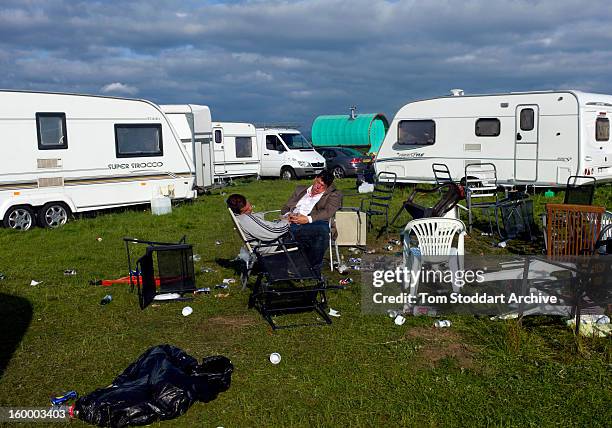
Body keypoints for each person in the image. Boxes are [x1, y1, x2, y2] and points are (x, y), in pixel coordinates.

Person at [281, 171, 342, 272]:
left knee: (322, 229)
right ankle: (293, 265)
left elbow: (328, 212)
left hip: (311, 223)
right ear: (315, 178)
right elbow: (286, 207)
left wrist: (307, 219)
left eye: (322, 186)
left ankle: (311, 268)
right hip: (290, 221)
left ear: (327, 186)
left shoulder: (334, 195)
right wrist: (288, 215)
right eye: (318, 182)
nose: (318, 187)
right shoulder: (300, 190)